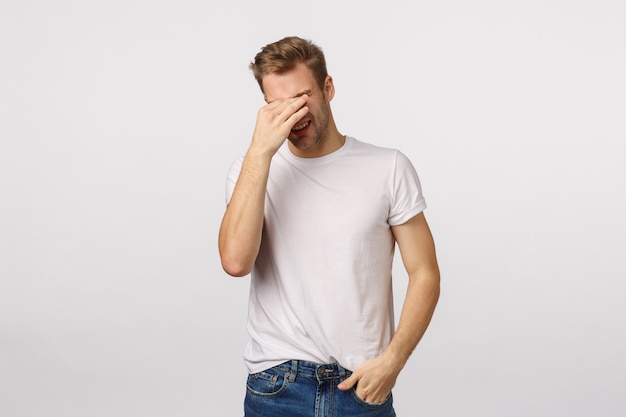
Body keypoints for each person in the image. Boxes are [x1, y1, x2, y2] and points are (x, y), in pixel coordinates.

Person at [218, 36, 440, 417]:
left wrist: (394, 361)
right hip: (278, 385)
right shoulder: (251, 170)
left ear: (328, 88)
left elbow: (424, 272)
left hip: (360, 386)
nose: (293, 114)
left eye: (301, 97)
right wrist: (259, 152)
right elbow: (236, 262)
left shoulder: (387, 168)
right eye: (277, 105)